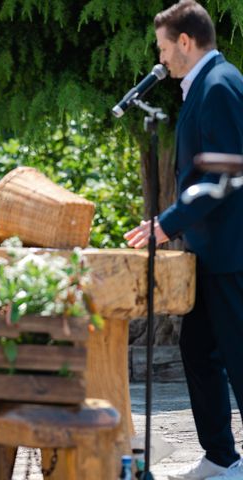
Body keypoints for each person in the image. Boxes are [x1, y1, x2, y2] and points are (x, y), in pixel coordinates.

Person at [124, 1, 243, 479]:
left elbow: (227, 171)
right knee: (197, 353)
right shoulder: (206, 85)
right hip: (209, 254)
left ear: (186, 42)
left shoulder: (219, 85)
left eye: (164, 47)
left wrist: (167, 223)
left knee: (238, 357)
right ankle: (221, 457)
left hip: (231, 252)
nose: (161, 58)